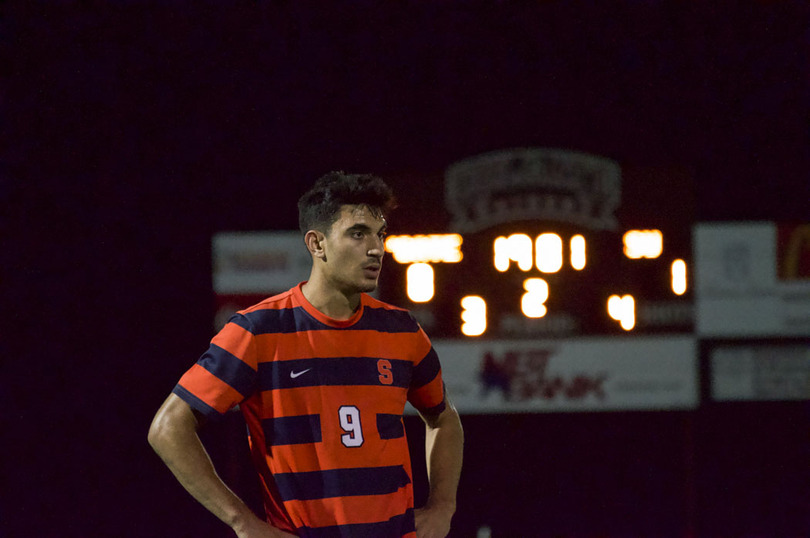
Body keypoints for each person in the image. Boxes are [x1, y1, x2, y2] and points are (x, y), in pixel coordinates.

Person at [148, 171, 464, 538]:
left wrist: (443, 506)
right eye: (358, 233)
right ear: (317, 243)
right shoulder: (258, 330)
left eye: (380, 235)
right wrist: (243, 523)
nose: (376, 248)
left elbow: (444, 419)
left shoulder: (401, 329)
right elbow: (168, 428)